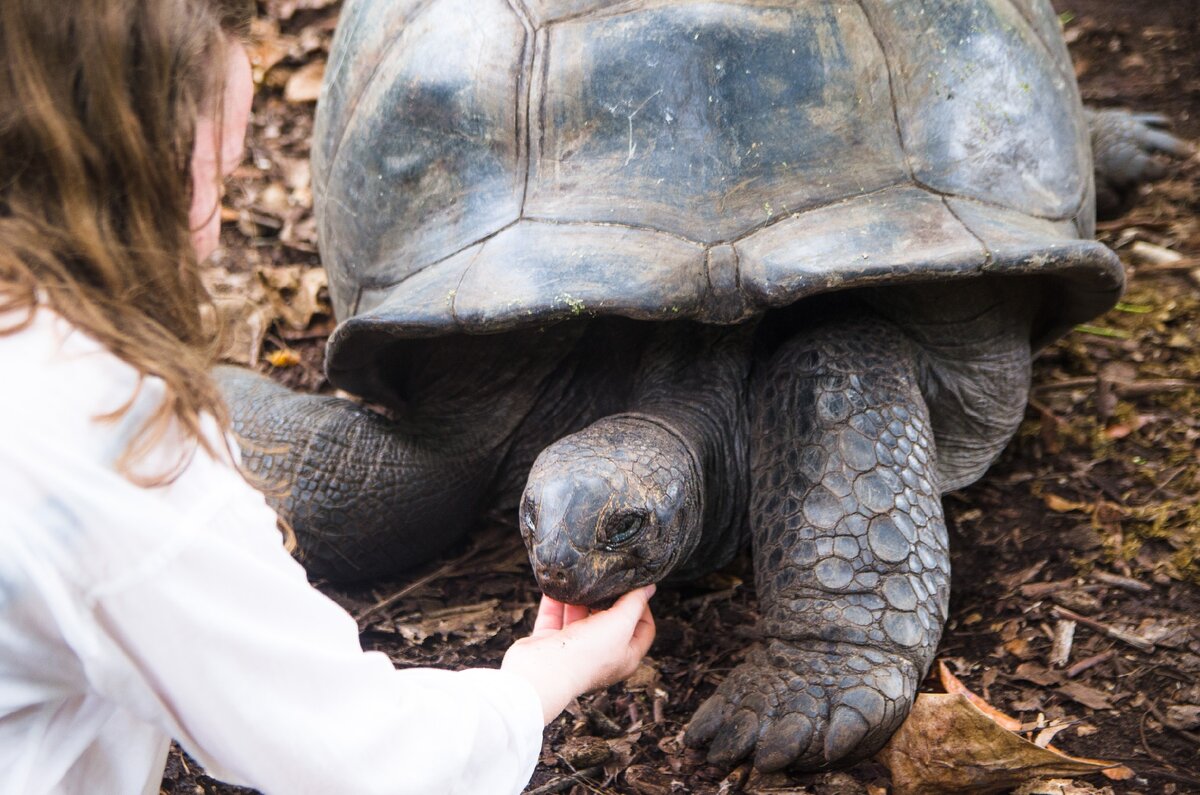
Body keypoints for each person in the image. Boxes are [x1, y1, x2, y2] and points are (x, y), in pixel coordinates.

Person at [0, 1, 656, 793]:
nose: (213, 231)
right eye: (215, 176)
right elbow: (357, 759)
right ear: (131, 163)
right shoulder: (116, 444)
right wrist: (539, 676)